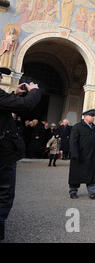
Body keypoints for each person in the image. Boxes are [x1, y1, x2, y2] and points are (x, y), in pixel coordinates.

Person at [0, 67, 41, 241]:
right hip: (3, 154)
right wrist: (35, 91)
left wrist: (13, 94)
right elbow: (25, 105)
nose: (1, 76)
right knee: (4, 193)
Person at [68, 109, 95, 199]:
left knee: (91, 173)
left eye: (93, 116)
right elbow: (73, 141)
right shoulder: (77, 127)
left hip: (92, 155)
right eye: (91, 116)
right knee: (76, 173)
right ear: (85, 116)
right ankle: (73, 190)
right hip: (80, 155)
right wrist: (74, 154)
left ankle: (93, 191)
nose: (93, 117)